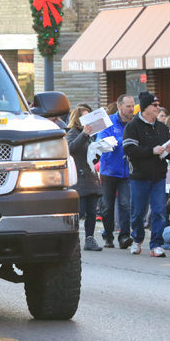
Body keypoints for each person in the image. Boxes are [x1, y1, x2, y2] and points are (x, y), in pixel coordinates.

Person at [122, 91, 170, 257]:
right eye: (154, 105)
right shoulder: (133, 126)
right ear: (145, 107)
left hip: (159, 176)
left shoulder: (162, 127)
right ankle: (137, 239)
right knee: (138, 212)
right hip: (139, 176)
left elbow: (168, 154)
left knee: (159, 211)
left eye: (158, 105)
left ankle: (156, 244)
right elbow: (129, 149)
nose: (158, 108)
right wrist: (151, 150)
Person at [96, 94, 135, 249]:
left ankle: (124, 237)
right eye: (128, 106)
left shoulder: (134, 123)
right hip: (109, 170)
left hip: (127, 171)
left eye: (133, 106)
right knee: (108, 206)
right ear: (119, 106)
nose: (131, 109)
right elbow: (101, 141)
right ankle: (108, 236)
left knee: (125, 205)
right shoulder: (108, 122)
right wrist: (124, 141)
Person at [66, 106, 104, 251]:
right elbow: (70, 149)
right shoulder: (72, 133)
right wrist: (84, 135)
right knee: (80, 211)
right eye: (85, 117)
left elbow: (91, 157)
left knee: (92, 211)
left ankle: (89, 238)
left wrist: (100, 149)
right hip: (80, 178)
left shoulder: (90, 135)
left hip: (90, 177)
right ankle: (72, 240)